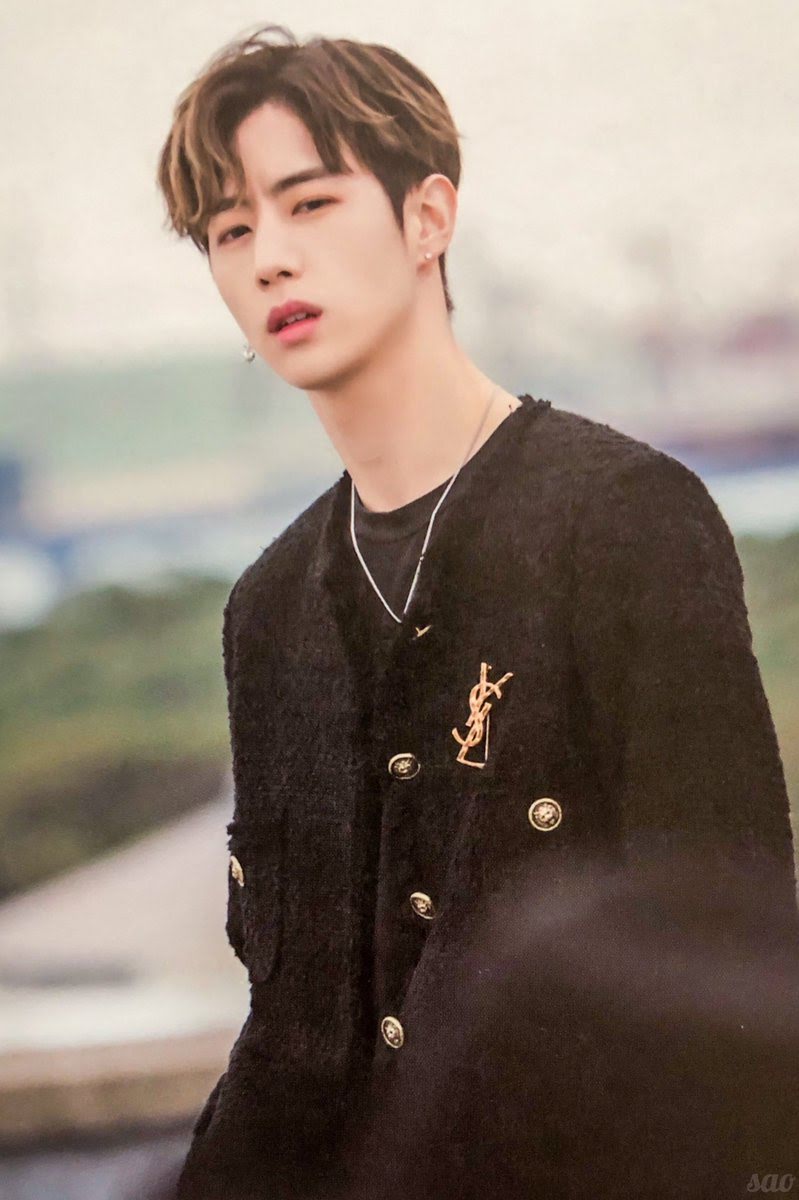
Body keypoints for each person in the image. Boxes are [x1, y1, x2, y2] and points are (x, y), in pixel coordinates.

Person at [155, 23, 799, 1199]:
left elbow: (734, 976)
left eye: (309, 204)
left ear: (428, 217)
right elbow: (287, 1039)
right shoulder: (268, 612)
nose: (268, 260)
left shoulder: (625, 520)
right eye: (230, 230)